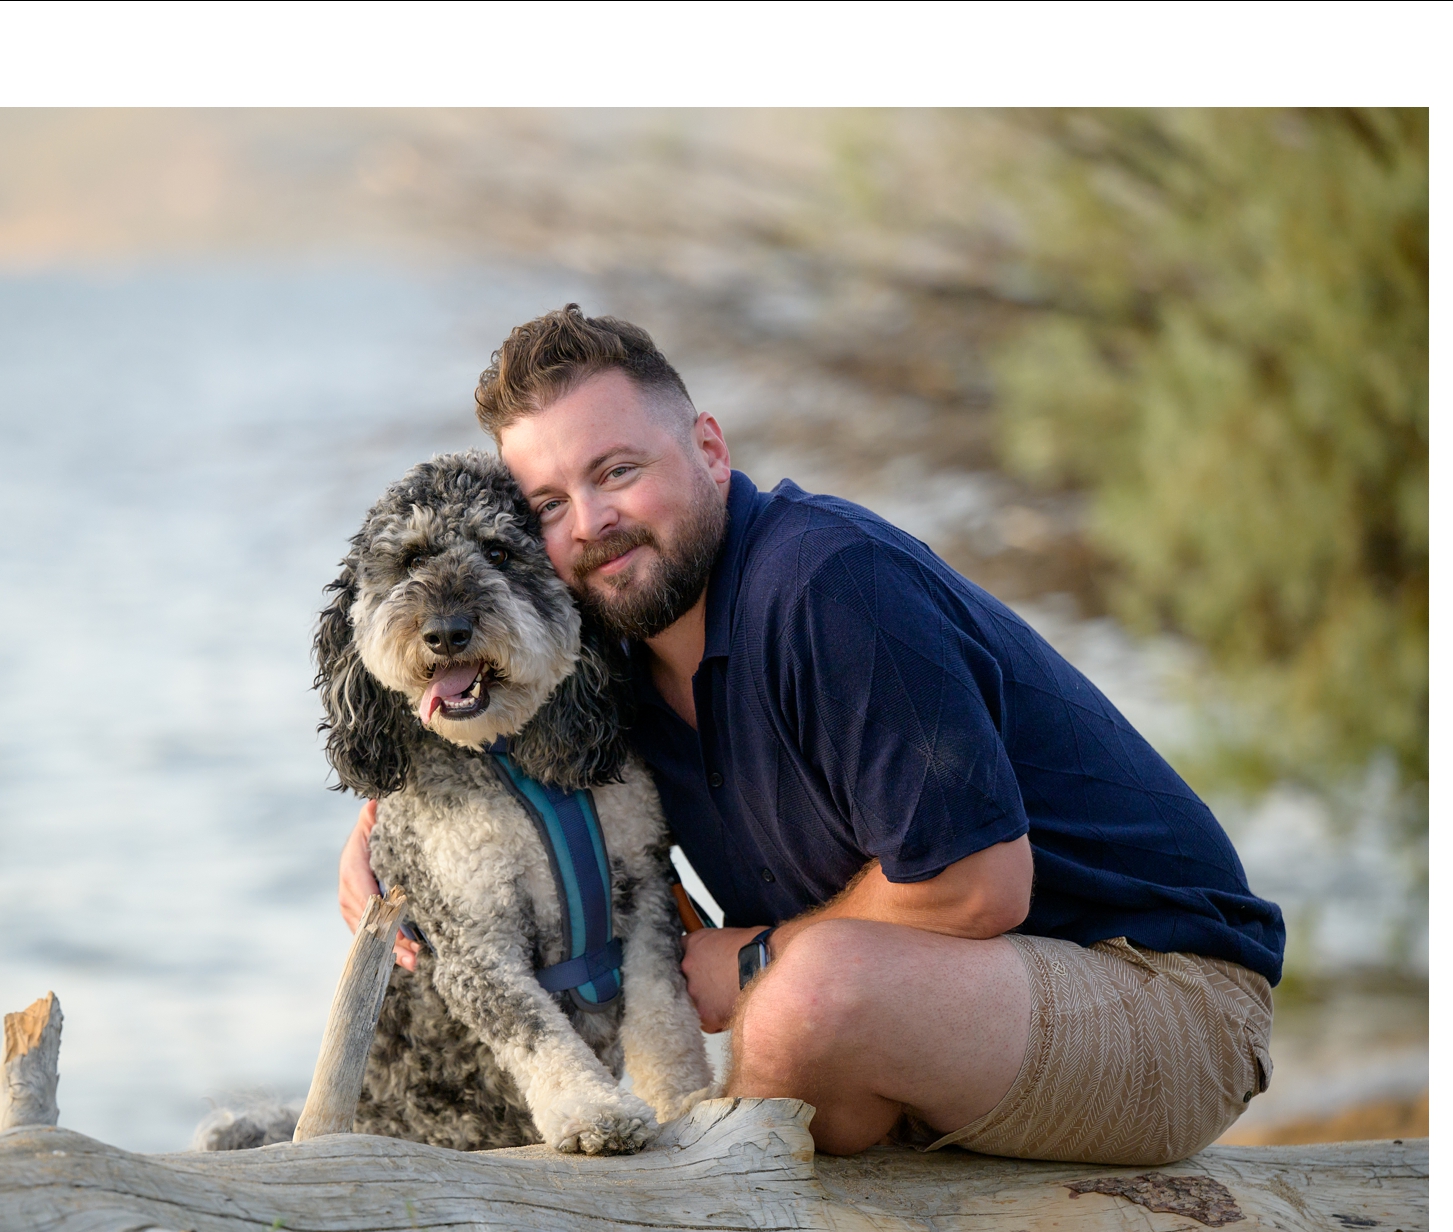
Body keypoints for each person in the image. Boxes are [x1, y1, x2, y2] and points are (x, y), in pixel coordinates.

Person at [338, 305, 1284, 1163]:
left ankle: (706, 1231)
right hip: (962, 1006)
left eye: (618, 471)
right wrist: (381, 832)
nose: (592, 524)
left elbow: (979, 886)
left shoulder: (828, 588)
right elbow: (478, 727)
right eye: (549, 505)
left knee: (806, 999)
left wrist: (750, 957)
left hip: (1163, 995)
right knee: (794, 1015)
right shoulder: (613, 644)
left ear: (709, 449)